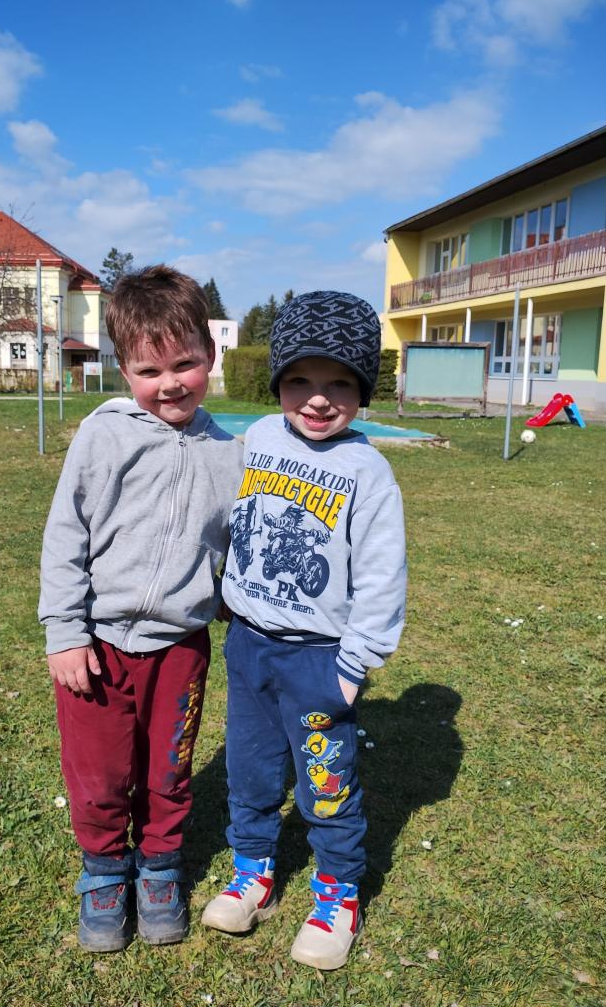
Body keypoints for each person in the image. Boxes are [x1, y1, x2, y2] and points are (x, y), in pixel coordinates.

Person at [39, 265, 244, 952]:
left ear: (209, 355)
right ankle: (104, 871)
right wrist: (65, 632)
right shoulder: (104, 435)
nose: (169, 384)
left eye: (185, 364)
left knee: (167, 770)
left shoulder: (231, 454)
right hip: (96, 646)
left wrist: (231, 595)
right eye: (149, 370)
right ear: (123, 369)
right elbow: (66, 534)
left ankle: (159, 869)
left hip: (180, 648)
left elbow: (234, 543)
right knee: (98, 777)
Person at [201, 291, 407, 971]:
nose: (318, 399)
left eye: (339, 384)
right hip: (249, 647)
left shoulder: (367, 472)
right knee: (250, 768)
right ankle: (252, 871)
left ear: (362, 390)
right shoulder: (260, 438)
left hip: (318, 660)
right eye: (300, 381)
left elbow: (381, 575)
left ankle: (336, 893)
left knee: (326, 783)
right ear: (278, 383)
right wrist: (228, 586)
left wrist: (353, 666)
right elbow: (238, 517)